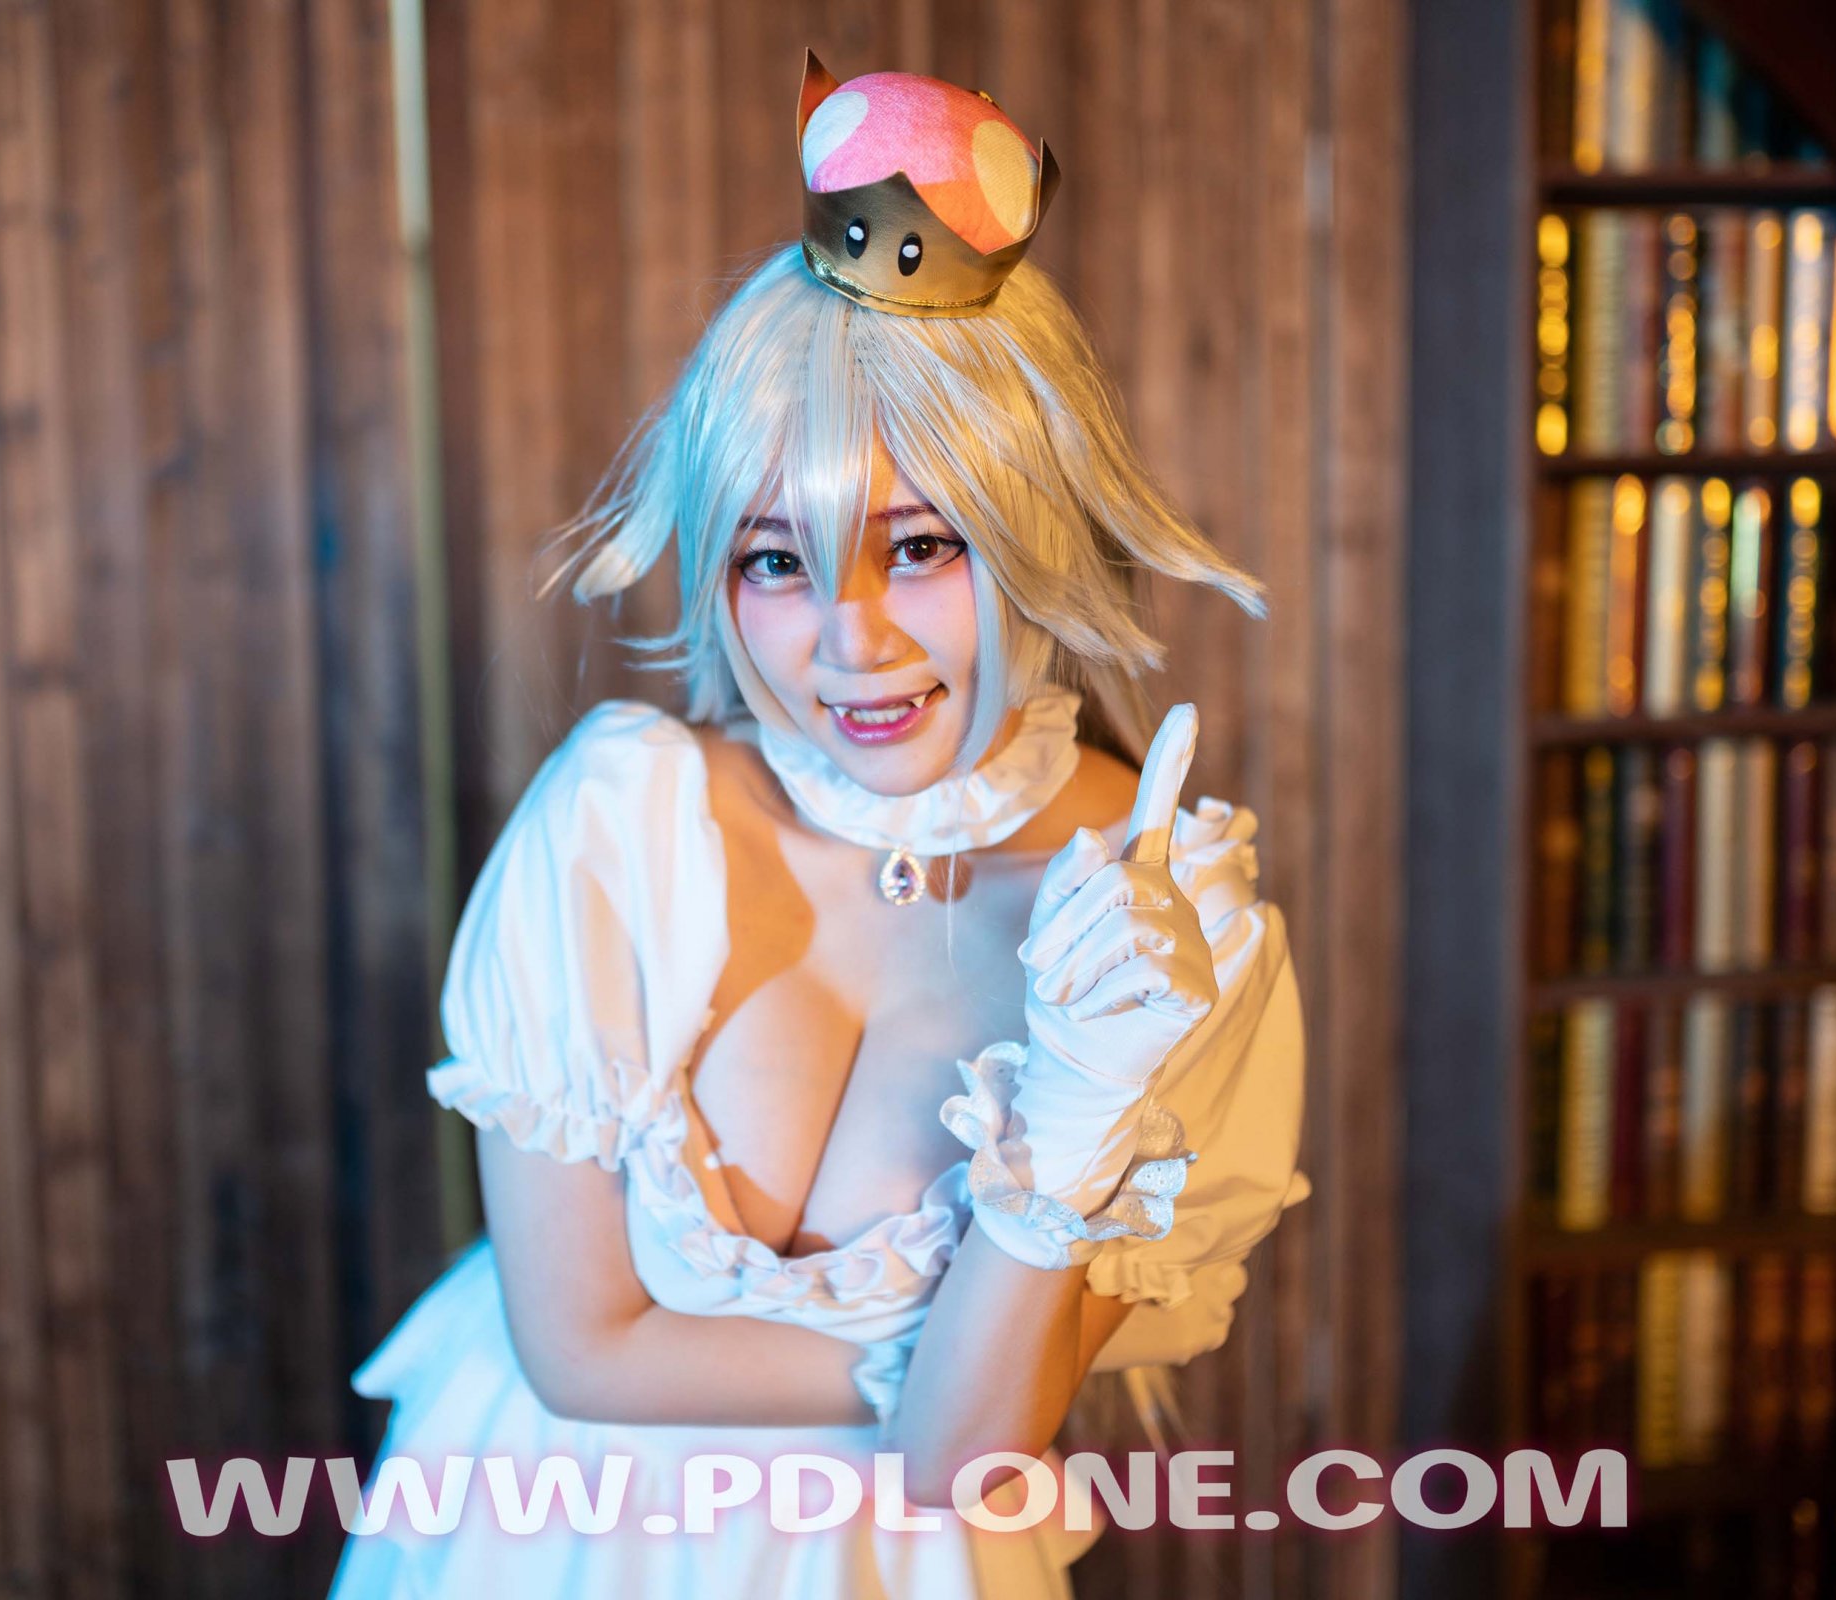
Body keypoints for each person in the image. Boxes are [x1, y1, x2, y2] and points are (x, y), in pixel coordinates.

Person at [327, 50, 1310, 1599]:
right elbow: (580, 1353)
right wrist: (952, 1365)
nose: (850, 643)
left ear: (1033, 531)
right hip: (542, 1532)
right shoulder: (622, 826)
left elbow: (957, 1467)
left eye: (918, 546)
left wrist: (1077, 1118)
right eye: (775, 562)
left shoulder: (1173, 935)